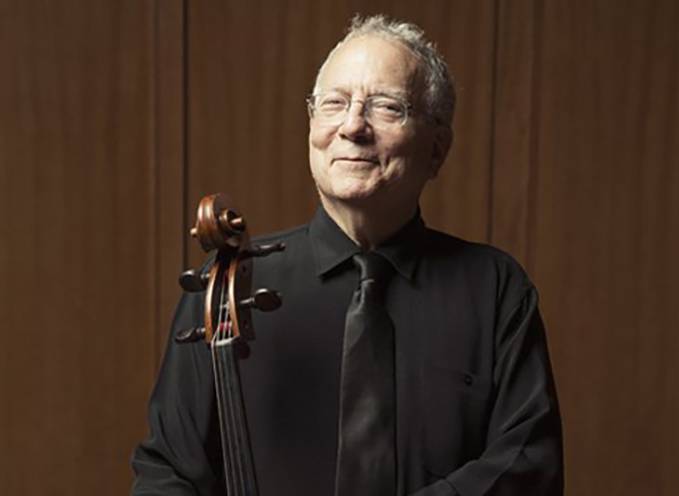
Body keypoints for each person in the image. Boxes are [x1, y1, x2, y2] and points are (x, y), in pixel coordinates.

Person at [131, 15, 563, 496]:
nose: (353, 126)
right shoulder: (230, 284)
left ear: (438, 149)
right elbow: (167, 473)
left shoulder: (495, 289)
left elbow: (528, 466)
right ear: (313, 125)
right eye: (334, 104)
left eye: (386, 107)